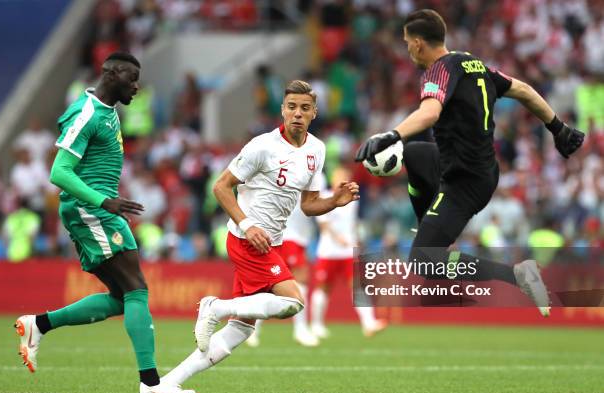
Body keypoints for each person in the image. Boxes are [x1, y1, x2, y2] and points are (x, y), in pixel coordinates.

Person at [355, 9, 584, 315]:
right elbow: (524, 90)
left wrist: (392, 135)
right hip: (466, 165)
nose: (407, 48)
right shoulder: (471, 63)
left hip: (466, 181)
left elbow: (430, 113)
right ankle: (430, 228)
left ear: (420, 43)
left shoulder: (438, 70)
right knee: (413, 154)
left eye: (408, 42)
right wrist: (558, 128)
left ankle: (517, 274)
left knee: (422, 262)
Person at [13, 52, 195, 393]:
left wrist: (106, 200)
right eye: (132, 78)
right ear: (111, 74)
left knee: (122, 297)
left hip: (98, 208)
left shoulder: (108, 111)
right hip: (91, 210)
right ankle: (151, 383)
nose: (137, 87)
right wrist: (102, 201)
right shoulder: (87, 112)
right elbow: (59, 172)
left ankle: (39, 324)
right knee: (137, 290)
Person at [160, 80, 359, 391]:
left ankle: (168, 383)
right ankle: (215, 307)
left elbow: (308, 205)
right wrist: (247, 224)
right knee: (293, 301)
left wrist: (334, 201)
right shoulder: (262, 146)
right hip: (245, 239)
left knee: (239, 331)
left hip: (272, 243)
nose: (297, 113)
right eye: (291, 106)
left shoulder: (317, 150)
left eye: (304, 108)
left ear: (314, 113)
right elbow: (220, 187)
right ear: (282, 110)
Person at [310, 165, 387, 339]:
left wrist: (356, 240)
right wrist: (338, 238)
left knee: (358, 287)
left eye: (346, 177)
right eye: (340, 177)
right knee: (323, 288)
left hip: (348, 252)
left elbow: (353, 223)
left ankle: (369, 323)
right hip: (328, 251)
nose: (343, 181)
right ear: (334, 180)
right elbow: (323, 224)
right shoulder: (324, 197)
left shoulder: (353, 200)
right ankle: (316, 324)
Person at [246, 200, 319, 347]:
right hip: (287, 237)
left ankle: (253, 330)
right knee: (297, 282)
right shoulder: (303, 178)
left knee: (272, 286)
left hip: (296, 238)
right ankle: (300, 330)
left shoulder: (316, 179)